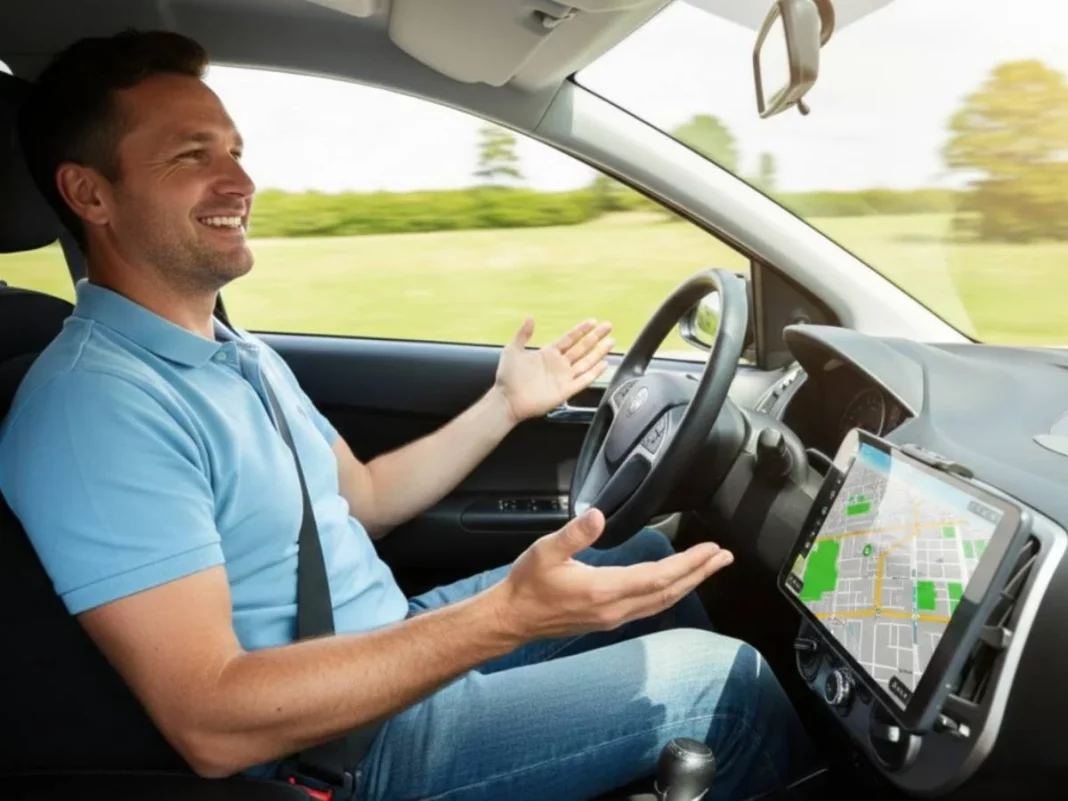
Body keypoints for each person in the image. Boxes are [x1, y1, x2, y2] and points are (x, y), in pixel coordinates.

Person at [0, 30, 813, 801]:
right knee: (721, 683)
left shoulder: (229, 349)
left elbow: (363, 497)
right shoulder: (95, 409)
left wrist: (504, 406)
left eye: (236, 152)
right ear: (89, 192)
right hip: (341, 744)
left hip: (384, 640)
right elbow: (211, 720)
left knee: (639, 565)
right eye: (192, 156)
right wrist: (499, 619)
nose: (240, 183)